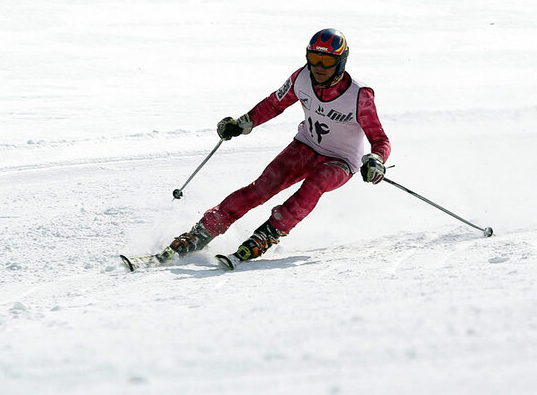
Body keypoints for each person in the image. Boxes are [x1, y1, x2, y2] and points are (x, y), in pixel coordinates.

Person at [168, 28, 391, 264]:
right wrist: (242, 123)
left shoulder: (359, 95)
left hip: (341, 161)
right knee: (261, 188)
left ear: (341, 62)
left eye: (327, 61)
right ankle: (202, 232)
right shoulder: (301, 78)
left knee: (316, 183)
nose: (319, 66)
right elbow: (274, 104)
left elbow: (380, 140)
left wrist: (376, 160)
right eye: (314, 58)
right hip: (305, 147)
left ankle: (267, 234)